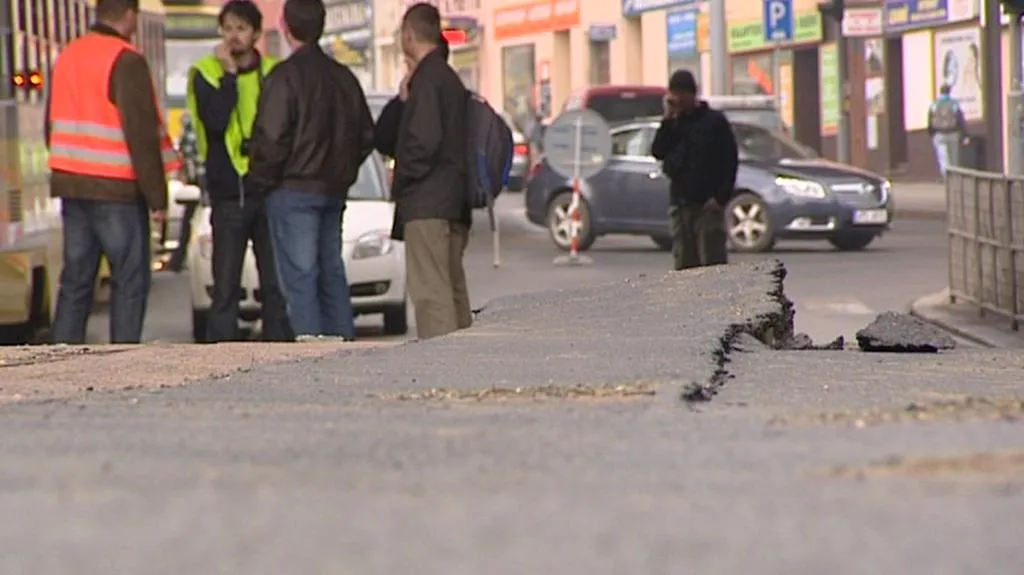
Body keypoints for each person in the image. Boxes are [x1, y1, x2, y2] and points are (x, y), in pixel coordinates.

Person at [45, 0, 181, 344]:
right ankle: (123, 358)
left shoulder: (68, 55)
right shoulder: (126, 60)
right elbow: (141, 133)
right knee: (129, 280)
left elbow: (52, 124)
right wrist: (157, 197)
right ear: (130, 16)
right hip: (116, 190)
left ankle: (62, 356)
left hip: (72, 186)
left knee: (76, 280)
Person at [245, 0, 374, 342]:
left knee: (301, 279)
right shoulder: (343, 78)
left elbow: (271, 140)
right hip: (332, 191)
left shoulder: (284, 78)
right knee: (331, 273)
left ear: (286, 28)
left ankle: (313, 353)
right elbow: (365, 136)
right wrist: (342, 173)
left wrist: (259, 181)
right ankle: (343, 348)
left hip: (292, 191)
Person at [186, 0, 291, 342]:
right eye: (228, 28)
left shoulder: (275, 73)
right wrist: (228, 74)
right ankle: (222, 357)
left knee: (275, 286)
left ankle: (278, 355)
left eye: (241, 29)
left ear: (257, 34)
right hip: (229, 196)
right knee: (225, 287)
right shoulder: (205, 73)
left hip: (269, 193)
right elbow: (215, 121)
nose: (233, 36)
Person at [373, 2, 471, 340]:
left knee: (431, 295)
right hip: (453, 200)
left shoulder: (429, 80)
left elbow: (424, 141)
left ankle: (445, 371)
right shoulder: (445, 78)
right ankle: (466, 366)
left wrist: (403, 178)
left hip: (428, 203)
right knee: (451, 290)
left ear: (409, 35)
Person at [650, 70, 738, 271]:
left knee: (712, 264)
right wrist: (668, 118)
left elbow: (729, 161)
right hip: (681, 205)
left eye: (682, 94)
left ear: (692, 94)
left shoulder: (713, 122)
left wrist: (720, 198)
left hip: (708, 205)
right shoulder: (674, 123)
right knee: (684, 266)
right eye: (674, 94)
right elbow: (658, 151)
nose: (678, 100)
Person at [166, 114, 202, 273]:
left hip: (199, 182)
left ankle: (178, 259)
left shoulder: (191, 127)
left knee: (189, 222)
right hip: (206, 182)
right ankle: (179, 259)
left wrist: (190, 177)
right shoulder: (194, 127)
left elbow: (186, 158)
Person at [928, 84, 968, 178]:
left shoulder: (934, 104)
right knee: (954, 158)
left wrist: (932, 134)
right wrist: (964, 134)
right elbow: (960, 119)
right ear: (949, 91)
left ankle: (946, 177)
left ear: (940, 92)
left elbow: (929, 120)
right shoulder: (954, 104)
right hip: (953, 134)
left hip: (939, 134)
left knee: (943, 158)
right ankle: (955, 177)